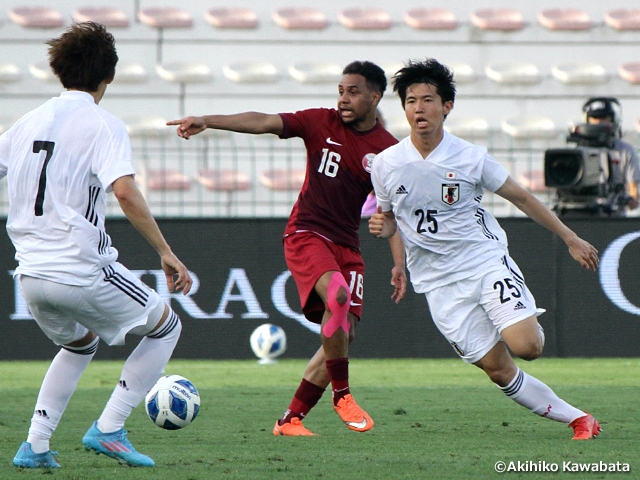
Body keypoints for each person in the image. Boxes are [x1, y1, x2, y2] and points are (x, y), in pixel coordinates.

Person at [168, 61, 406, 436]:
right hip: (307, 233)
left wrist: (398, 264)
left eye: (354, 92)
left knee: (344, 333)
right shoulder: (319, 122)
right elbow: (263, 121)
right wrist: (209, 120)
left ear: (375, 97)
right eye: (341, 90)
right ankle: (342, 395)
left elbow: (391, 211)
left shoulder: (389, 151)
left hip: (348, 244)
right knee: (339, 298)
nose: (343, 98)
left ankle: (290, 419)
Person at [369, 58, 601, 440]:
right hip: (438, 283)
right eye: (411, 101)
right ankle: (580, 419)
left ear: (447, 106)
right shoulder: (386, 164)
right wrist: (386, 233)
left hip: (483, 262)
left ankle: (519, 316)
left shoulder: (471, 157)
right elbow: (390, 218)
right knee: (498, 369)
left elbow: (522, 198)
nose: (419, 108)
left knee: (527, 348)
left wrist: (569, 237)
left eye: (428, 100)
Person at [2, 23, 193, 469]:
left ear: (58, 69)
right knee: (166, 327)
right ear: (108, 76)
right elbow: (124, 192)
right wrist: (165, 251)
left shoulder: (27, 123)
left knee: (80, 344)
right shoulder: (103, 125)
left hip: (30, 277)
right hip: (80, 269)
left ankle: (36, 445)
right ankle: (109, 428)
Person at [582, 96, 640, 213]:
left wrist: (630, 200)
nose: (599, 122)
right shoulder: (580, 151)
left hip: (614, 216)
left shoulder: (625, 151)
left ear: (613, 119)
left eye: (604, 117)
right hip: (584, 214)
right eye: (595, 117)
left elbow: (633, 192)